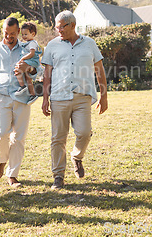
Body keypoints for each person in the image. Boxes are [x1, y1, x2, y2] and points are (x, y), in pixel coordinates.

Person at [41, 10, 108, 189]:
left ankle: (77, 157)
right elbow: (47, 74)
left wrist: (104, 96)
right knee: (58, 138)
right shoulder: (52, 45)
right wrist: (45, 98)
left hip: (82, 96)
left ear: (72, 25)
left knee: (84, 133)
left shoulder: (89, 44)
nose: (59, 30)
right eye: (57, 27)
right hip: (59, 96)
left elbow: (99, 70)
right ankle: (58, 176)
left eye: (62, 27)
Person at [0, 17, 39, 188]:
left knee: (19, 138)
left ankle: (13, 175)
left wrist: (29, 69)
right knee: (2, 133)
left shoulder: (27, 48)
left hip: (22, 97)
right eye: (6, 33)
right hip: (2, 96)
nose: (9, 36)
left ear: (18, 32)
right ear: (2, 31)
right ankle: (1, 160)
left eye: (12, 33)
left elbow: (36, 70)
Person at [15, 22, 42, 104]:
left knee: (17, 70)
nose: (23, 36)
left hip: (31, 61)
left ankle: (22, 86)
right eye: (22, 34)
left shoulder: (32, 43)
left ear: (33, 34)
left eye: (26, 34)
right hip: (30, 61)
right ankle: (32, 95)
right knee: (28, 79)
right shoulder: (27, 43)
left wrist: (23, 58)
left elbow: (32, 53)